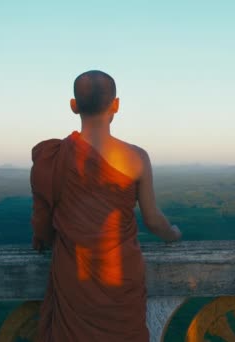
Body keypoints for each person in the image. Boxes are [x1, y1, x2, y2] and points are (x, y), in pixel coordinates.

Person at [30, 70, 182, 341]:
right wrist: (173, 233)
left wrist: (42, 238)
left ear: (74, 105)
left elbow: (42, 221)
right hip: (121, 276)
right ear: (116, 105)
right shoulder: (136, 157)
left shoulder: (53, 157)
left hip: (73, 276)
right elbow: (152, 220)